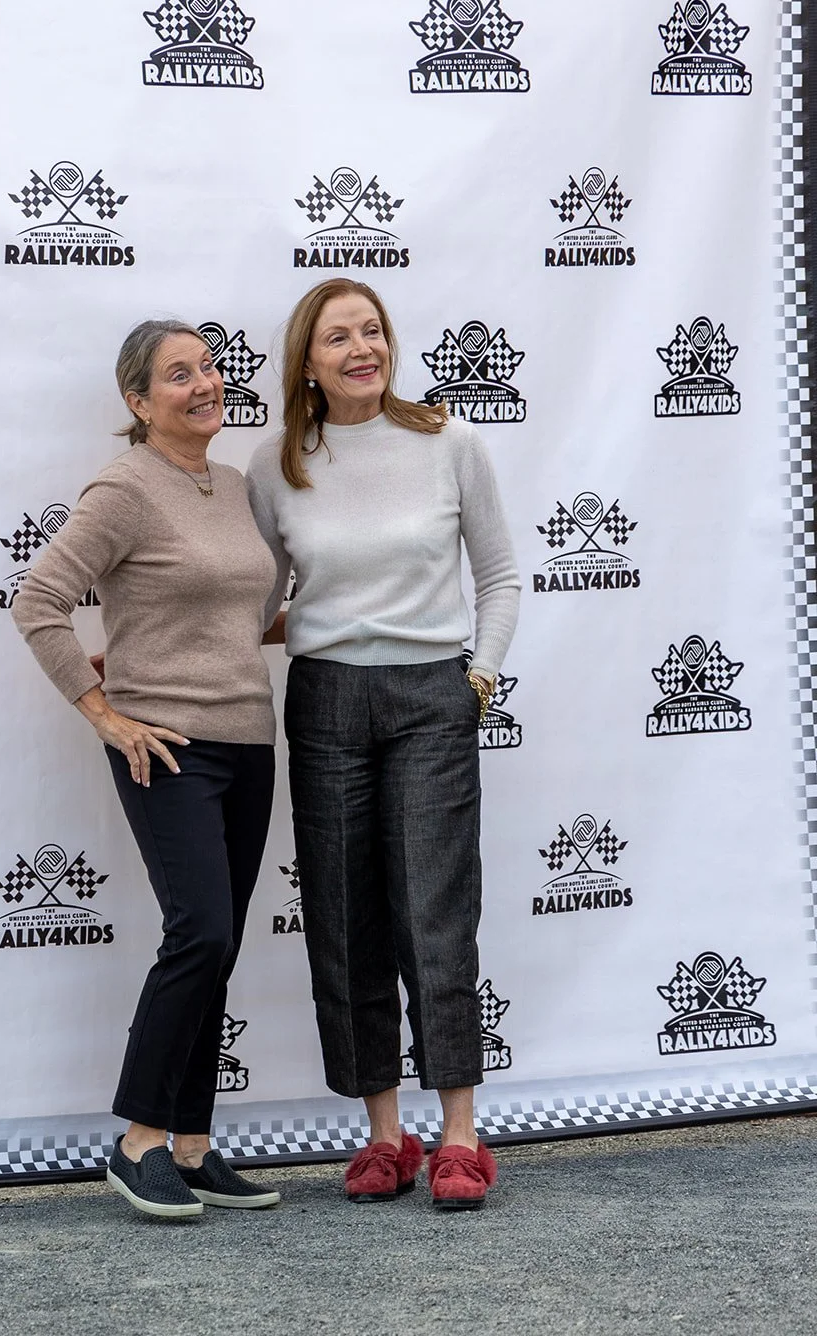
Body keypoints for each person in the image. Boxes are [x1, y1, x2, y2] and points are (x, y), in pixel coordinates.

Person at [247, 279, 520, 1210]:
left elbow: (502, 575)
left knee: (435, 911)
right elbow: (256, 602)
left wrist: (476, 677)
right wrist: (152, 652)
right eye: (338, 337)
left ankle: (459, 1137)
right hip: (323, 702)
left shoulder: (449, 442)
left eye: (372, 331)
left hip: (431, 698)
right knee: (345, 913)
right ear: (308, 362)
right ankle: (381, 1135)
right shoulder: (278, 464)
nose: (361, 348)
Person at [13, 319, 281, 1220]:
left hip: (249, 741)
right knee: (198, 931)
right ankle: (137, 1143)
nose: (204, 383)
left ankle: (196, 1145)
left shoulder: (237, 486)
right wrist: (103, 714)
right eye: (178, 375)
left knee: (222, 944)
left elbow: (237, 618)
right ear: (138, 400)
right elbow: (39, 600)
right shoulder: (125, 488)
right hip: (166, 746)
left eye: (209, 367)